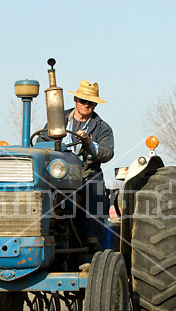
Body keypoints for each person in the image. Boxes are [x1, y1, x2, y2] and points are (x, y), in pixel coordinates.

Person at [62, 80, 115, 248]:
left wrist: (89, 144)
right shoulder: (58, 120)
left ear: (95, 105)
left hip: (86, 171)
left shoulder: (102, 128)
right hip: (60, 170)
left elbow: (107, 153)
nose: (86, 105)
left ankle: (91, 238)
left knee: (95, 185)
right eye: (82, 101)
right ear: (75, 100)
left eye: (90, 102)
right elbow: (43, 142)